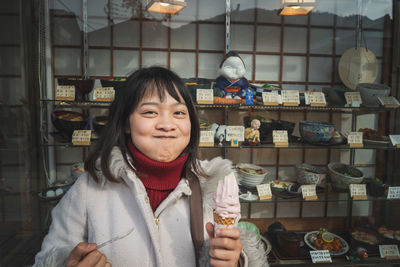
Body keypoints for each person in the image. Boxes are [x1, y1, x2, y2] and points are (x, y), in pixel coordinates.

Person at [33, 67, 249, 267]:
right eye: (150, 112)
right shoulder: (89, 188)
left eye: (179, 113)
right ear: (126, 123)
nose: (167, 124)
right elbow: (47, 258)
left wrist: (235, 261)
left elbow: (233, 250)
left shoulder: (214, 188)